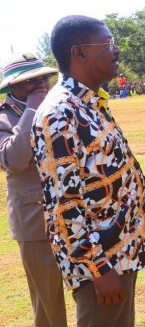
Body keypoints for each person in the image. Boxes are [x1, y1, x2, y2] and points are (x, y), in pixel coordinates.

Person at [31, 15, 145, 327]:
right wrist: (97, 267)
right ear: (79, 53)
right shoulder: (59, 113)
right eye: (108, 44)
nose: (116, 51)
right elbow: (63, 204)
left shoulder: (87, 102)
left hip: (121, 249)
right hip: (102, 262)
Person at [0, 53, 67, 327]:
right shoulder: (4, 118)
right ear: (12, 87)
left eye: (43, 78)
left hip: (72, 212)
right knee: (48, 302)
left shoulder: (58, 108)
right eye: (30, 81)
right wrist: (30, 111)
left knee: (91, 288)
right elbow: (14, 161)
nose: (40, 84)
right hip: (34, 220)